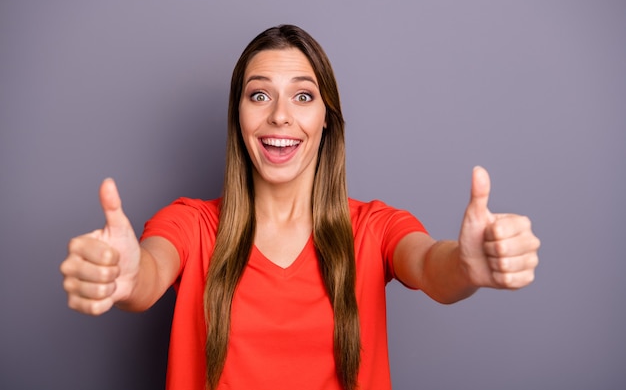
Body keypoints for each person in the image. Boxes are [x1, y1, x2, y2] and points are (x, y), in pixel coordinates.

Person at [60, 24, 540, 390]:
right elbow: (146, 276)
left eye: (303, 96)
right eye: (260, 94)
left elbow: (434, 268)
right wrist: (121, 278)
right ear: (239, 116)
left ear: (327, 119)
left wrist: (467, 265)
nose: (280, 115)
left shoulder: (375, 227)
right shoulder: (191, 224)